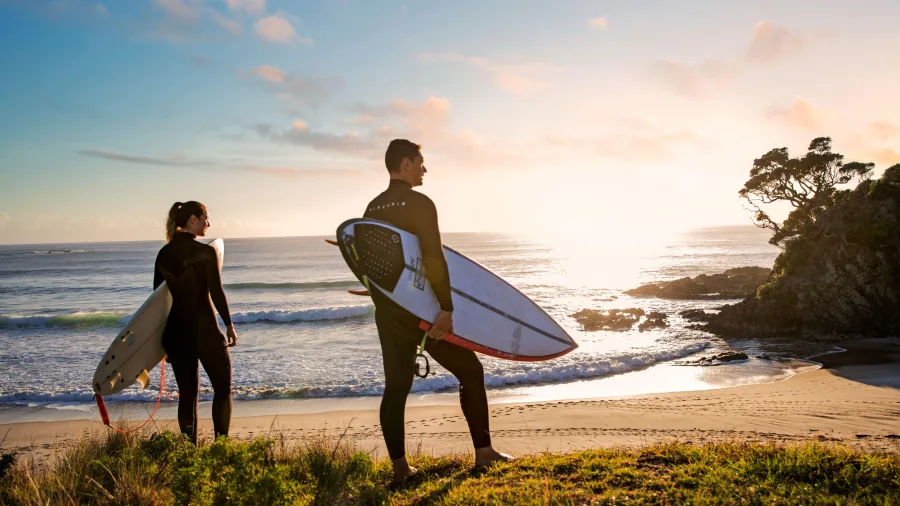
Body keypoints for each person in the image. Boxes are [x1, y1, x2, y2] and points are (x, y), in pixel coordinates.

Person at [363, 139, 513, 486]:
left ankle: (401, 470)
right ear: (404, 164)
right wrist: (445, 308)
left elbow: (372, 265)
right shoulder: (420, 203)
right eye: (420, 162)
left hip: (389, 313)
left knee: (396, 387)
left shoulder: (371, 208)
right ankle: (484, 454)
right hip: (422, 313)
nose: (424, 169)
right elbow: (432, 258)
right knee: (471, 372)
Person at [154, 201, 237, 444]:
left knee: (188, 395)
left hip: (176, 333)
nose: (207, 223)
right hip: (205, 331)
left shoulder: (163, 254)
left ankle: (189, 453)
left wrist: (160, 344)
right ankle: (221, 448)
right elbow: (216, 292)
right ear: (192, 219)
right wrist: (229, 325)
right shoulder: (205, 253)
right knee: (222, 389)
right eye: (205, 218)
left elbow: (158, 300)